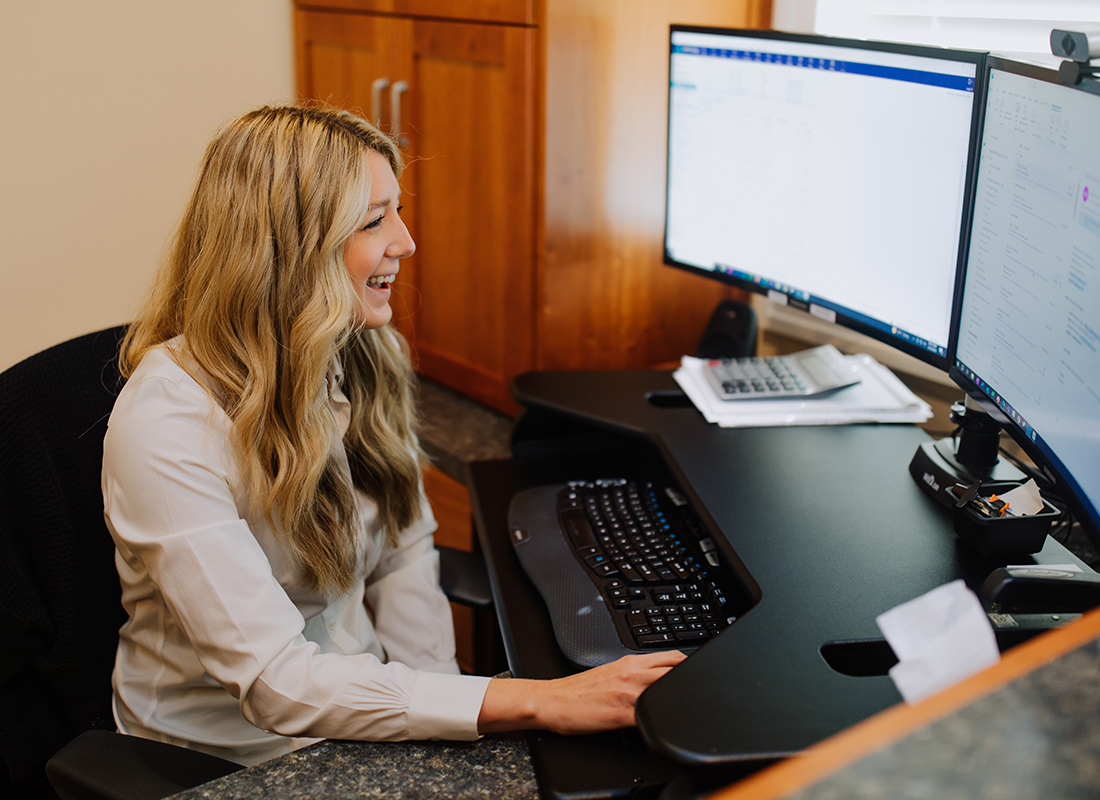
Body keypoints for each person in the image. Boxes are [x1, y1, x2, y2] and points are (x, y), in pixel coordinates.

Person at [103, 104, 685, 766]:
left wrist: (448, 705)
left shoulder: (361, 352)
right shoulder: (167, 425)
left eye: (398, 211)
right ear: (289, 248)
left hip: (364, 702)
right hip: (231, 754)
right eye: (374, 219)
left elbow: (402, 551)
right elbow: (274, 683)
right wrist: (534, 701)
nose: (406, 241)